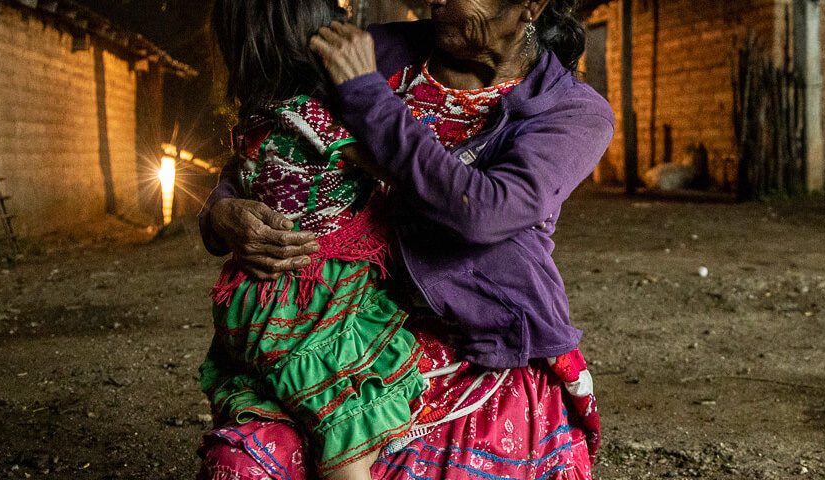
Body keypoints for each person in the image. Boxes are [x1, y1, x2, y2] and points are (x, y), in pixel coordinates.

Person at [198, 0, 615, 478]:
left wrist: (366, 94)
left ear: (530, 5)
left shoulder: (572, 112)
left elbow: (481, 211)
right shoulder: (377, 49)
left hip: (476, 341)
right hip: (339, 328)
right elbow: (281, 132)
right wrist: (221, 212)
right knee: (246, 461)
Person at [197, 1, 425, 479]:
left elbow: (243, 178)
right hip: (318, 298)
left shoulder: (255, 122)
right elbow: (402, 169)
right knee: (346, 422)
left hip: (258, 298)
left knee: (292, 401)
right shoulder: (318, 119)